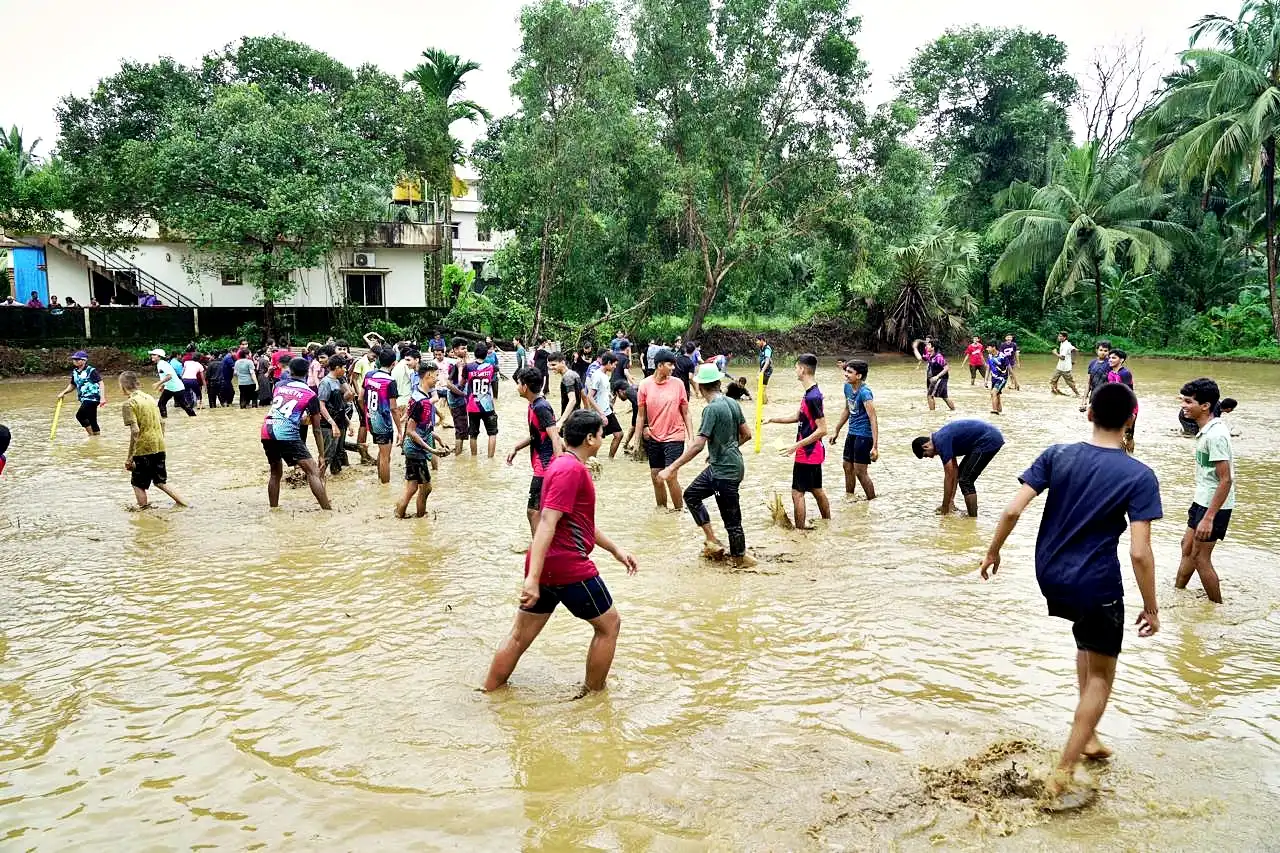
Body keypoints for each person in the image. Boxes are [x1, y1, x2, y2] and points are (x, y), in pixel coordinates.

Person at [979, 381, 1160, 807]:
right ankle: (1063, 771)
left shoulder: (1057, 454)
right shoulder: (1139, 475)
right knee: (1101, 675)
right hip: (1096, 583)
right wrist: (1151, 606)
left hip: (1050, 575)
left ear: (1089, 413)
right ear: (1131, 419)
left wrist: (993, 551)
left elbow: (1010, 509)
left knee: (1086, 643)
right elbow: (1139, 553)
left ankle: (1091, 737)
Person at [483, 409, 638, 694]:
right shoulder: (571, 470)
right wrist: (532, 578)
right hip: (567, 566)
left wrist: (615, 549)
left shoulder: (561, 464)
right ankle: (593, 696)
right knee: (609, 626)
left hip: (546, 564)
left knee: (519, 637)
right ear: (590, 438)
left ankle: (488, 692)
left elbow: (578, 523)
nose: (603, 439)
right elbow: (547, 521)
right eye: (601, 435)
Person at [659, 363, 753, 565]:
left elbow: (697, 446)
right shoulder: (732, 403)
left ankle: (739, 561)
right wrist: (724, 449)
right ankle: (712, 539)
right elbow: (747, 434)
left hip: (725, 472)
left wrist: (672, 467)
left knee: (732, 522)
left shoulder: (711, 409)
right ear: (719, 383)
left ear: (700, 388)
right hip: (727, 465)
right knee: (691, 495)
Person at [1176, 378, 1235, 604]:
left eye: (1188, 401)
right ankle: (1178, 592)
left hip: (1215, 506)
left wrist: (1209, 518)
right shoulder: (1205, 430)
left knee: (1200, 558)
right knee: (1187, 546)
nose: (1183, 405)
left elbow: (1226, 479)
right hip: (1202, 499)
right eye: (1183, 400)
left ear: (1205, 406)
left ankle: (1217, 607)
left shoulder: (1216, 435)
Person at [766, 354, 830, 529]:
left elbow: (823, 429)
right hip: (812, 451)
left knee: (797, 493)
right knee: (816, 489)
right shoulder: (810, 393)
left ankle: (799, 532)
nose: (795, 370)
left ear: (802, 369)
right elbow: (798, 417)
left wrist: (796, 445)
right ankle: (827, 523)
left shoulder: (813, 397)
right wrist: (773, 419)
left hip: (807, 453)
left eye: (796, 367)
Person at [261, 357, 330, 509]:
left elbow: (284, 408)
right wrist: (321, 454)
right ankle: (327, 511)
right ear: (307, 372)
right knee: (313, 471)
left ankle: (274, 509)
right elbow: (317, 429)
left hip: (267, 429)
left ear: (289, 371)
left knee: (275, 473)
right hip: (286, 433)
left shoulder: (278, 385)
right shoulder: (311, 395)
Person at [506, 366, 563, 535]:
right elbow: (537, 435)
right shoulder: (534, 405)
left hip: (546, 466)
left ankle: (539, 550)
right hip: (542, 465)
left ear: (524, 387)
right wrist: (517, 447)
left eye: (518, 383)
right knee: (543, 511)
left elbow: (554, 436)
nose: (517, 387)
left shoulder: (541, 407)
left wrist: (560, 465)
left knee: (533, 511)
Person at [911, 419, 1005, 517]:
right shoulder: (940, 438)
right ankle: (967, 514)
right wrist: (950, 502)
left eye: (926, 455)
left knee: (966, 480)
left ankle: (972, 520)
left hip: (988, 440)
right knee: (962, 475)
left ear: (926, 446)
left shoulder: (940, 442)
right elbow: (955, 471)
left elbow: (948, 476)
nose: (931, 457)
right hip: (985, 438)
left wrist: (944, 507)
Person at [119, 371, 186, 508]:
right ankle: (185, 504)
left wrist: (130, 458)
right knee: (160, 481)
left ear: (122, 386)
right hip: (159, 445)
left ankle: (144, 512)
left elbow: (135, 431)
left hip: (143, 448)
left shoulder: (129, 404)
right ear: (137, 383)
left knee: (137, 483)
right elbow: (162, 423)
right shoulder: (149, 398)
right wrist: (159, 441)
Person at [636, 348, 692, 510]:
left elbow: (686, 412)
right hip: (654, 437)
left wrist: (691, 437)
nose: (673, 368)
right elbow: (640, 415)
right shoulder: (645, 385)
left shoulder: (678, 384)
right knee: (656, 476)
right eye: (670, 364)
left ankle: (678, 510)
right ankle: (661, 510)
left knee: (670, 475)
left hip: (675, 436)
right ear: (660, 366)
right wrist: (636, 440)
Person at [397, 362, 449, 519]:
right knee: (426, 488)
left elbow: (422, 427)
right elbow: (411, 431)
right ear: (428, 376)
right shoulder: (421, 401)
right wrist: (432, 450)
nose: (437, 379)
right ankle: (420, 517)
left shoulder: (421, 396)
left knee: (412, 487)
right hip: (415, 450)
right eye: (436, 376)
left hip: (414, 449)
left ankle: (399, 515)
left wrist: (438, 438)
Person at [829, 359, 877, 500]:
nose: (846, 374)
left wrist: (875, 446)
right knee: (846, 466)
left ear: (859, 376)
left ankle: (872, 500)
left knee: (860, 471)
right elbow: (847, 409)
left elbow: (873, 419)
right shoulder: (847, 387)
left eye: (850, 372)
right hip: (852, 432)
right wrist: (836, 430)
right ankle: (850, 498)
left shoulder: (865, 393)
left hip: (864, 435)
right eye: (846, 371)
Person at [361, 349, 400, 484]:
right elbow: (394, 409)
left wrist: (367, 412)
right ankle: (384, 487)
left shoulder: (369, 375)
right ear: (394, 364)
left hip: (370, 418)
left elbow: (361, 397)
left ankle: (380, 479)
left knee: (381, 451)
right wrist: (400, 431)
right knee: (385, 456)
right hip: (383, 422)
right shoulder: (390, 381)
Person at [463, 342, 499, 458]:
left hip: (473, 406)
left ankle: (474, 458)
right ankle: (490, 459)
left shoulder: (468, 367)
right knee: (492, 433)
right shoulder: (491, 367)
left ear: (474, 353)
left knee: (473, 434)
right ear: (486, 354)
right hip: (488, 405)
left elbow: (462, 383)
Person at [57, 350, 105, 436]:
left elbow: (101, 383)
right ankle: (97, 438)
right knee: (92, 420)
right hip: (84, 398)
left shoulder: (91, 370)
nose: (75, 361)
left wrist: (102, 398)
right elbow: (72, 385)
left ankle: (91, 436)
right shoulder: (75, 372)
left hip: (93, 397)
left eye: (77, 359)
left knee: (80, 416)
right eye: (74, 359)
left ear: (84, 360)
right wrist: (63, 392)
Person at [585, 351, 624, 458]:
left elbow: (602, 392)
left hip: (607, 410)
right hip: (600, 413)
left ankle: (610, 460)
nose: (615, 367)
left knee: (618, 434)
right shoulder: (597, 375)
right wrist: (601, 414)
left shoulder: (605, 375)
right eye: (614, 364)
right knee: (596, 440)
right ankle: (592, 462)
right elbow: (589, 396)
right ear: (608, 363)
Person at [317, 355, 351, 477]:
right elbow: (321, 406)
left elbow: (340, 406)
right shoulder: (325, 383)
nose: (345, 370)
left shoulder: (337, 381)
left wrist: (349, 423)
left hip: (338, 422)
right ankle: (318, 479)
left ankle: (335, 478)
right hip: (328, 425)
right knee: (327, 454)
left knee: (336, 454)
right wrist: (332, 424)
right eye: (344, 368)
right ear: (337, 368)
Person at [149, 349, 196, 418]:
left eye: (154, 355)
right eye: (152, 355)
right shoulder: (160, 364)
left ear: (159, 356)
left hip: (177, 388)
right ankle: (164, 419)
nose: (152, 356)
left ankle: (194, 417)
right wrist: (162, 386)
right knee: (161, 404)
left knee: (184, 405)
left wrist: (158, 383)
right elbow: (165, 376)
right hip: (169, 388)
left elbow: (169, 376)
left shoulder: (162, 364)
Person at [1106, 349, 1136, 453]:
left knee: (1128, 435)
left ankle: (1129, 455)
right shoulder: (1110, 373)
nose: (1110, 360)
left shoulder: (1125, 373)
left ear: (1121, 360)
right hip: (1116, 405)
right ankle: (1122, 455)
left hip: (1127, 406)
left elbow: (1127, 393)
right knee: (1116, 434)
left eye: (1113, 358)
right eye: (1109, 357)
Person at [912, 339, 954, 411]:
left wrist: (937, 376)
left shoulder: (938, 357)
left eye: (928, 345)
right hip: (936, 378)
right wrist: (915, 348)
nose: (926, 346)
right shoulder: (929, 355)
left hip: (940, 378)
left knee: (929, 395)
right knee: (944, 397)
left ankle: (932, 413)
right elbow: (920, 358)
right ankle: (953, 410)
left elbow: (946, 368)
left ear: (933, 347)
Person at [550, 351, 585, 420]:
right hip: (577, 416)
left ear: (563, 362)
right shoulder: (574, 374)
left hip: (570, 419)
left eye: (554, 365)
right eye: (550, 365)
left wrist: (561, 421)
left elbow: (572, 400)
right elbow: (584, 395)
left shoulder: (567, 377)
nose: (551, 368)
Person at [1081, 340, 1112, 413]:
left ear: (1109, 352)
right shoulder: (1092, 363)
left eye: (1105, 350)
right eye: (1101, 350)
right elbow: (1089, 383)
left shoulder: (1111, 364)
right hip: (1093, 395)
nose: (1103, 352)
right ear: (1096, 350)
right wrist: (1084, 399)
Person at [612, 380, 640, 452]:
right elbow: (633, 425)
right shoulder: (632, 389)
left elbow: (639, 405)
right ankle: (625, 445)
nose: (619, 398)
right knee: (634, 425)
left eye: (617, 395)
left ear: (620, 391)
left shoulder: (629, 393)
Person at [1051, 332, 1080, 397]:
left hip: (1065, 368)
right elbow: (1075, 350)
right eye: (1059, 336)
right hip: (1060, 367)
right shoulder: (1065, 343)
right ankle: (1056, 392)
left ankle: (1078, 394)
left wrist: (1055, 353)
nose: (1059, 337)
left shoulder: (1065, 346)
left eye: (1061, 336)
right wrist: (1073, 360)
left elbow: (1062, 357)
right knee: (1053, 380)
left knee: (1070, 382)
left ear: (1065, 337)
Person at [986, 345, 1009, 415]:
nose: (987, 349)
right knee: (997, 395)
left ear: (994, 347)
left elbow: (1010, 369)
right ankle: (999, 412)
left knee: (993, 393)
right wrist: (985, 380)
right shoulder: (989, 356)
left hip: (1002, 378)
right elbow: (988, 369)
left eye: (988, 347)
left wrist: (1016, 382)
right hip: (994, 379)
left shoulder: (1002, 356)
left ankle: (994, 410)